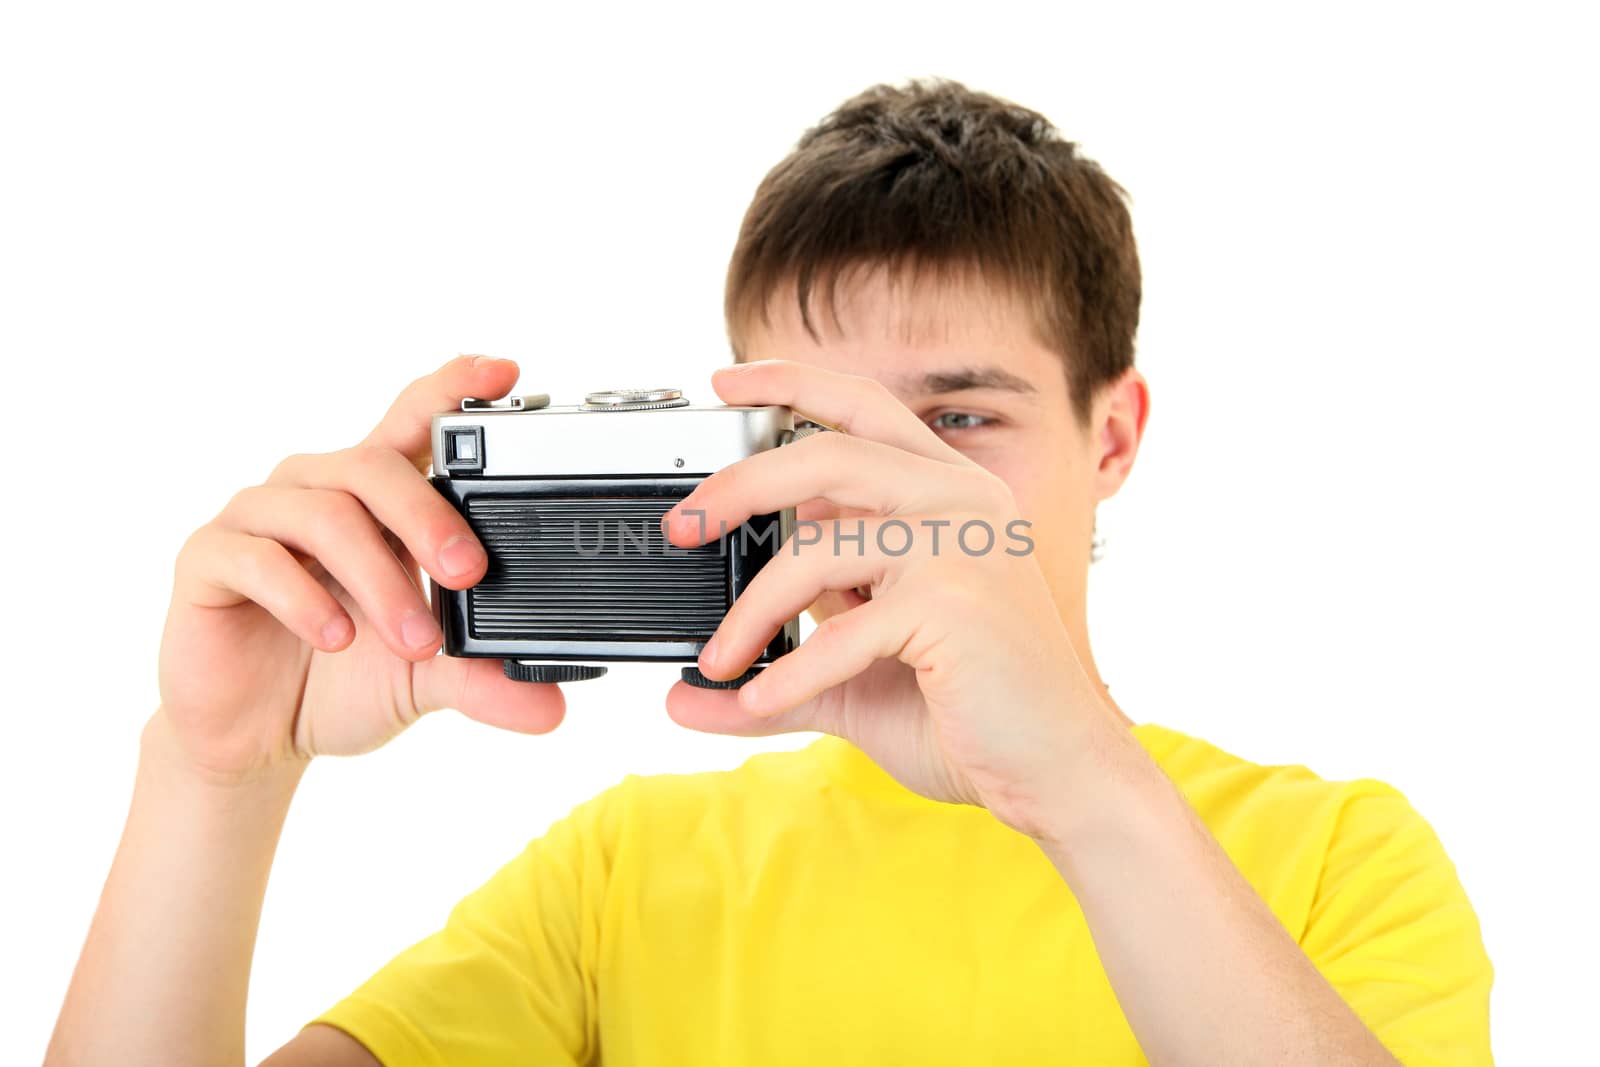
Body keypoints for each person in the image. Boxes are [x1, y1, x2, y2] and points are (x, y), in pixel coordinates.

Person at [45, 79, 1493, 1066]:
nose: (884, 494)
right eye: (812, 429)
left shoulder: (1337, 860)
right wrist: (214, 778)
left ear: (1112, 434)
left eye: (960, 420)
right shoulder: (624, 874)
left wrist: (1079, 786)